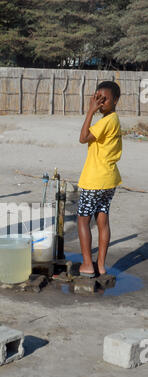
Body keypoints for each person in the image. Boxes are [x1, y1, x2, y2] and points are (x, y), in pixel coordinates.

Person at [78, 81, 122, 277]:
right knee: (102, 220)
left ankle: (88, 265)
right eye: (98, 98)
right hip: (109, 180)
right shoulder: (113, 119)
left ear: (116, 100)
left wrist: (90, 111)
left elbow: (83, 137)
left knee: (82, 220)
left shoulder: (105, 121)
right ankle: (101, 265)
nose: (101, 103)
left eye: (105, 99)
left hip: (94, 180)